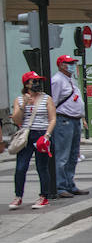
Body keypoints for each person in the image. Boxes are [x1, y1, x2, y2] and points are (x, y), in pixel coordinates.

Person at [8, 71, 56, 209]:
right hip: (26, 135)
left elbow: (52, 118)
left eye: (38, 81)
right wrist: (24, 105)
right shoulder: (19, 99)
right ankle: (18, 196)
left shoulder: (46, 98)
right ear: (26, 84)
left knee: (42, 167)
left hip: (41, 134)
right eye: (34, 81)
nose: (37, 84)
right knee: (21, 167)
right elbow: (17, 120)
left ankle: (44, 196)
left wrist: (47, 135)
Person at [50, 54, 88, 197]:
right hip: (63, 121)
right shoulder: (57, 81)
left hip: (75, 120)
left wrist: (82, 117)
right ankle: (60, 187)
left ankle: (69, 184)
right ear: (61, 65)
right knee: (62, 156)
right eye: (69, 63)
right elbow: (52, 103)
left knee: (73, 155)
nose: (72, 65)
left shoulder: (70, 79)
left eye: (73, 62)